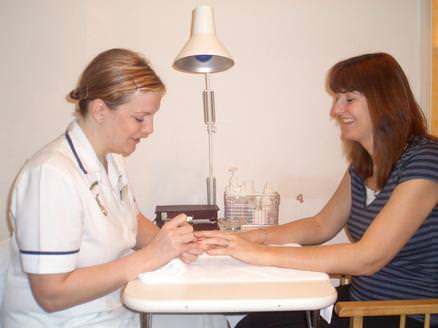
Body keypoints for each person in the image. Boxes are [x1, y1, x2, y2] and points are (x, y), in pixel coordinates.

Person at [196, 53, 438, 328]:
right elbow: (321, 225)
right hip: (359, 307)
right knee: (255, 323)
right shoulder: (363, 167)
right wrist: (250, 238)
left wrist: (260, 254)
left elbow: (368, 258)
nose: (336, 110)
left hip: (408, 317)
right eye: (337, 99)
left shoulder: (426, 162)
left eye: (349, 99)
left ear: (384, 102)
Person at [1, 48, 227, 328]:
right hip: (67, 321)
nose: (149, 129)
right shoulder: (50, 175)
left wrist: (173, 246)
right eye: (140, 117)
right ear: (99, 110)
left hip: (113, 309)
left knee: (210, 317)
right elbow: (51, 294)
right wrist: (150, 257)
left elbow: (130, 219)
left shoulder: (110, 159)